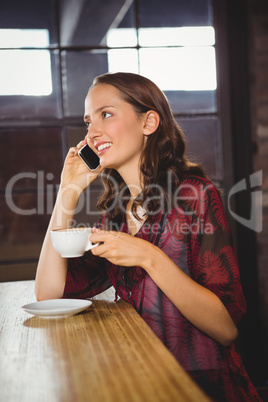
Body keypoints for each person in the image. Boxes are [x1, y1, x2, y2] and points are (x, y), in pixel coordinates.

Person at [35, 72, 261, 401]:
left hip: (203, 388)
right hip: (139, 384)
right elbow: (48, 295)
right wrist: (68, 191)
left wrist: (147, 256)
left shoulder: (195, 195)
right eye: (88, 121)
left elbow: (226, 329)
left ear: (149, 122)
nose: (92, 132)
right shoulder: (114, 216)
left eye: (106, 114)